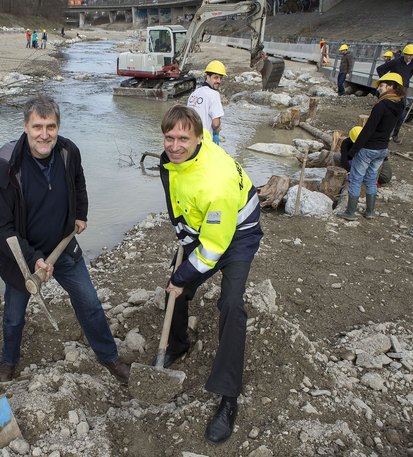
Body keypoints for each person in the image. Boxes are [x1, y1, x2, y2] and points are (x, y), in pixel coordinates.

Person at [0, 95, 130, 385]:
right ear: (25, 126)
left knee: (90, 304)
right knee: (14, 316)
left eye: (51, 126)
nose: (45, 134)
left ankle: (109, 357)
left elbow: (78, 181)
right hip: (22, 259)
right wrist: (33, 259)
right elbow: (0, 229)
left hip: (64, 248)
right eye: (38, 126)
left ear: (58, 126)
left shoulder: (67, 151)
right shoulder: (6, 168)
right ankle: (9, 360)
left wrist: (80, 213)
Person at [157, 106, 263, 444]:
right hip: (206, 231)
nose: (174, 145)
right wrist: (183, 235)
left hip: (238, 237)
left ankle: (228, 396)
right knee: (174, 291)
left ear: (199, 138)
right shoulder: (171, 159)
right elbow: (178, 199)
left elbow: (214, 248)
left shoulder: (216, 182)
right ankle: (178, 344)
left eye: (183, 139)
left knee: (231, 305)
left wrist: (184, 272)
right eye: (169, 137)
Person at [337, 73, 404, 221]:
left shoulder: (381, 105)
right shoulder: (399, 104)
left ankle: (350, 213)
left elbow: (368, 130)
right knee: (371, 178)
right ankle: (370, 211)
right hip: (382, 149)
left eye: (381, 85)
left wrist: (353, 151)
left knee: (355, 178)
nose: (379, 88)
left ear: (391, 86)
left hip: (369, 148)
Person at [377, 43, 413, 143]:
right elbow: (380, 69)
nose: (410, 57)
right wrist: (387, 81)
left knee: (402, 112)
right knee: (388, 109)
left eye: (412, 55)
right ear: (404, 54)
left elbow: (412, 71)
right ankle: (382, 132)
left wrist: (406, 80)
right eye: (408, 54)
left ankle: (395, 134)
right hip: (394, 89)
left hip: (404, 89)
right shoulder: (395, 62)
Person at [187, 60, 226, 145]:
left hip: (189, 140)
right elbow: (215, 124)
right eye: (216, 77)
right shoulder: (214, 94)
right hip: (203, 143)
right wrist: (217, 129)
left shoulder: (194, 93)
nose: (219, 81)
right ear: (208, 77)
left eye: (220, 78)